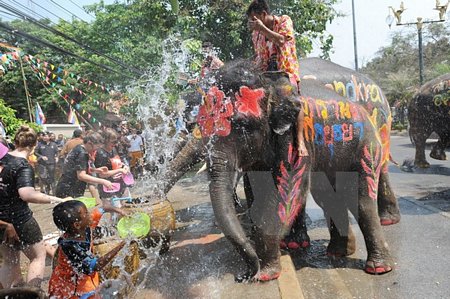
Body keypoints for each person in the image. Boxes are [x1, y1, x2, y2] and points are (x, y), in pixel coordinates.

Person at [0, 125, 69, 289]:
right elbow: (27, 194)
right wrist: (57, 200)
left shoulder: (3, 160)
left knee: (10, 261)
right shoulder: (23, 165)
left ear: (16, 141)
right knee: (38, 256)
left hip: (2, 221)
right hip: (20, 220)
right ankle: (32, 294)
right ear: (34, 145)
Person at [246, 0, 308, 156]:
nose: (253, 23)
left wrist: (262, 28)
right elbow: (259, 57)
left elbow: (281, 41)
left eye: (254, 19)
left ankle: (300, 141)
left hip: (286, 72)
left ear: (263, 15)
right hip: (267, 74)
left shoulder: (284, 21)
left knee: (295, 100)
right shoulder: (256, 34)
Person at [48, 200, 125, 299]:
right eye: (87, 213)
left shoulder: (83, 226)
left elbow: (104, 208)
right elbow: (96, 266)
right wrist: (122, 244)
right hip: (69, 290)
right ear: (77, 224)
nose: (90, 214)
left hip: (85, 282)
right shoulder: (70, 246)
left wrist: (120, 211)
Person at [55, 131, 113, 199]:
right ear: (89, 143)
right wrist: (103, 181)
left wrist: (96, 170)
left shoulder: (79, 148)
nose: (96, 150)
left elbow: (79, 168)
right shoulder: (82, 154)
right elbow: (81, 176)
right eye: (96, 147)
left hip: (67, 187)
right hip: (69, 190)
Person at [94, 128, 128, 216]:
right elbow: (102, 175)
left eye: (116, 141)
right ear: (105, 140)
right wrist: (119, 170)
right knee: (115, 212)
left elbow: (117, 162)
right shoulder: (100, 153)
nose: (115, 144)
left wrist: (124, 166)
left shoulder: (113, 149)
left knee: (122, 209)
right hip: (107, 187)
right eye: (112, 142)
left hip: (119, 185)